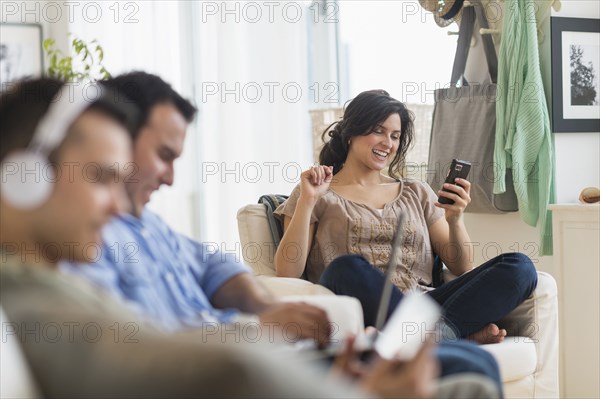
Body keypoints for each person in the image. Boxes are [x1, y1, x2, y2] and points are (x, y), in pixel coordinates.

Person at [0, 79, 500, 399]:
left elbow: (219, 268)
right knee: (455, 368)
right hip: (240, 366)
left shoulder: (136, 232)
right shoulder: (43, 290)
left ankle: (437, 334)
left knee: (477, 360)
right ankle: (440, 336)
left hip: (398, 308)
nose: (116, 199)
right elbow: (207, 366)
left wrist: (263, 312)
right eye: (101, 177)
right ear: (25, 177)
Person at [274, 89, 538, 345]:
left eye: (395, 136)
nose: (387, 143)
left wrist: (455, 219)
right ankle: (448, 337)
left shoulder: (416, 192)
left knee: (519, 267)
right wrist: (308, 201)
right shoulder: (316, 192)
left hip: (423, 305)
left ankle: (435, 338)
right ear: (351, 132)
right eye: (378, 131)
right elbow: (287, 271)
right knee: (346, 268)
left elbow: (460, 267)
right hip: (362, 307)